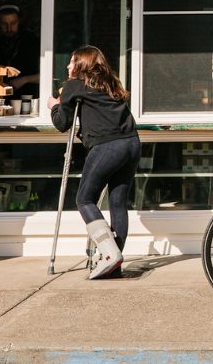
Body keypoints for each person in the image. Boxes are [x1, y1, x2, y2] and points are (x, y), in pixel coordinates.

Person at [49, 45, 139, 280]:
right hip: (131, 143)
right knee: (118, 202)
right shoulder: (110, 83)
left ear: (81, 64)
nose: (68, 66)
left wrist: (54, 105)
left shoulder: (74, 85)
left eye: (71, 62)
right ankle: (115, 262)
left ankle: (109, 255)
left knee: (84, 199)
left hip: (107, 147)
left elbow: (62, 123)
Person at [0, 4, 42, 99]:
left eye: (13, 23)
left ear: (19, 22)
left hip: (31, 99)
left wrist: (23, 80)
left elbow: (47, 75)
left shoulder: (32, 42)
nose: (9, 28)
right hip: (4, 101)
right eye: (4, 24)